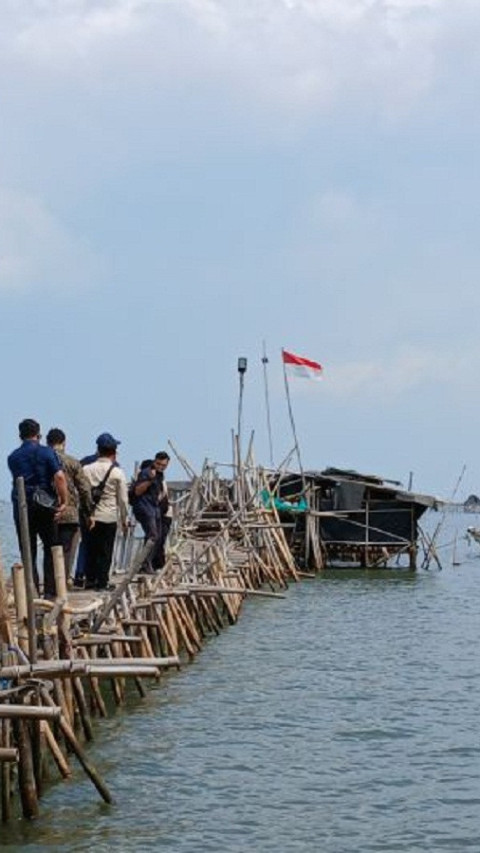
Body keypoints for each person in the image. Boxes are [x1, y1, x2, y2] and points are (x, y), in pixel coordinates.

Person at [7, 418, 68, 596]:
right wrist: (64, 502)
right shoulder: (47, 453)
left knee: (27, 548)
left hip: (22, 503)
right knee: (51, 546)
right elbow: (59, 477)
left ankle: (31, 589)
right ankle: (50, 591)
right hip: (45, 503)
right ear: (38, 434)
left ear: (20, 436)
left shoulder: (13, 457)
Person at [46, 428, 93, 582]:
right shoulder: (73, 462)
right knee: (66, 552)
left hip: (47, 511)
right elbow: (84, 489)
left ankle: (48, 586)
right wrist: (88, 512)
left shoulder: (42, 460)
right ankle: (61, 585)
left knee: (49, 551)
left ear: (47, 442)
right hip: (69, 513)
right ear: (64, 443)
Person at [82, 433, 128, 590]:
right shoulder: (117, 472)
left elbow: (82, 492)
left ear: (98, 450)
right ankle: (102, 582)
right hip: (109, 515)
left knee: (90, 548)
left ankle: (89, 579)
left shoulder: (86, 469)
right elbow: (123, 499)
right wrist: (124, 518)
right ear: (114, 452)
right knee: (105, 550)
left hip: (90, 516)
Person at [130, 457, 165, 572]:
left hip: (154, 509)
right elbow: (137, 491)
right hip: (145, 508)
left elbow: (160, 493)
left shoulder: (159, 475)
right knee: (153, 536)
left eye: (164, 465)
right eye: (159, 464)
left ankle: (146, 563)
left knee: (156, 536)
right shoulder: (146, 473)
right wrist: (150, 480)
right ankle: (143, 564)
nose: (161, 467)